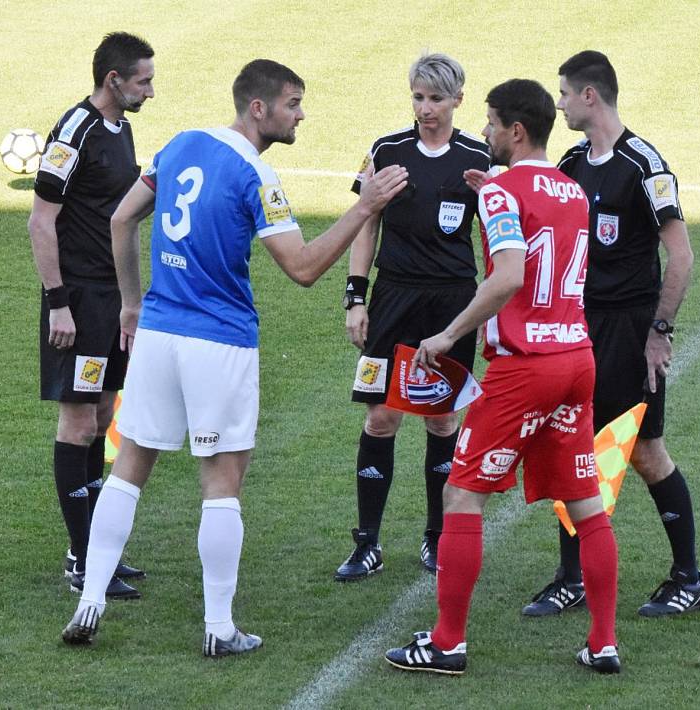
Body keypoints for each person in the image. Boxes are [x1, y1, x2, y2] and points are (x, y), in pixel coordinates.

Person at [61, 59, 408, 655]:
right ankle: (219, 629)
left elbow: (121, 219)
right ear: (259, 108)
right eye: (293, 103)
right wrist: (365, 207)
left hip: (160, 338)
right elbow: (301, 268)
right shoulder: (257, 174)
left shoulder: (180, 144)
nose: (301, 114)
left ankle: (89, 600)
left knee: (127, 471)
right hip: (219, 342)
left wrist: (131, 305)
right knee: (221, 483)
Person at [386, 78, 620, 675]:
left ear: (515, 131)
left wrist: (447, 333)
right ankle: (603, 641)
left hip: (525, 368)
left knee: (461, 494)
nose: (483, 132)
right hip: (577, 358)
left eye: (490, 123)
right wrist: (497, 191)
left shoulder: (499, 193)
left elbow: (511, 274)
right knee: (587, 505)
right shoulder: (571, 188)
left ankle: (446, 642)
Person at [521, 50, 700, 618]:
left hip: (630, 328)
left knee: (646, 452)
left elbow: (680, 257)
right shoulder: (575, 161)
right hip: (580, 327)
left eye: (563, 93)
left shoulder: (643, 164)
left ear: (589, 97)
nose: (558, 104)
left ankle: (688, 577)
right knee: (570, 442)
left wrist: (659, 332)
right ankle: (570, 576)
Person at [335, 54, 490, 581]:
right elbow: (364, 224)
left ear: (457, 101)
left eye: (436, 99)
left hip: (451, 302)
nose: (426, 109)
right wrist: (356, 298)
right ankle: (367, 542)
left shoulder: (479, 157)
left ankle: (436, 537)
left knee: (442, 417)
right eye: (419, 97)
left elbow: (496, 239)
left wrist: (486, 311)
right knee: (381, 416)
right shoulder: (386, 150)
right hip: (394, 299)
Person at [29, 32, 155, 600]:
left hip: (113, 301)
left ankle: (97, 548)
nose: (150, 91)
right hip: (78, 300)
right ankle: (82, 560)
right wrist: (58, 301)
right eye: (143, 81)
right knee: (78, 423)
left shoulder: (120, 129)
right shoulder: (74, 131)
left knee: (104, 417)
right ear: (114, 81)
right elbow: (41, 220)